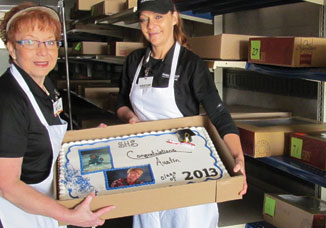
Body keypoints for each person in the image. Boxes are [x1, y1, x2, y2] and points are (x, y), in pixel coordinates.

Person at [115, 0, 248, 227]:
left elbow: (219, 115)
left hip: (186, 159)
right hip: (145, 159)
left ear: (174, 18)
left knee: (186, 219)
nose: (151, 26)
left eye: (158, 17)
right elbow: (120, 103)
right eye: (144, 20)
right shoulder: (135, 62)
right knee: (150, 219)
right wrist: (129, 117)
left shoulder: (191, 65)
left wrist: (238, 157)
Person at [0, 3, 114, 227]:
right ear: (12, 49)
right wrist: (69, 216)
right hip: (15, 215)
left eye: (50, 41)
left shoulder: (44, 86)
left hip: (42, 207)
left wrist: (85, 140)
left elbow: (42, 139)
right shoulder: (9, 101)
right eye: (30, 42)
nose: (43, 51)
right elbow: (6, 184)